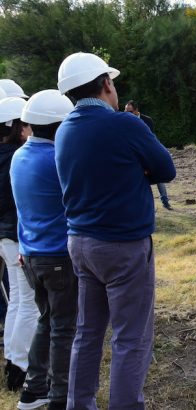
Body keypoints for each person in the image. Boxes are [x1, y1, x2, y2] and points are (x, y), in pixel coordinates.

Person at [54, 52, 176, 409]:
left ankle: (79, 404)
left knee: (87, 333)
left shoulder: (64, 130)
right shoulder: (124, 124)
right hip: (122, 245)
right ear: (106, 83)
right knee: (130, 337)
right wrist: (137, 172)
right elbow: (166, 169)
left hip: (80, 243)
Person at [12, 90, 75, 410]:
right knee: (63, 328)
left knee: (47, 321)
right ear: (59, 126)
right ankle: (60, 396)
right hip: (58, 256)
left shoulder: (19, 156)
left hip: (31, 255)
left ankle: (33, 389)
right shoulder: (56, 159)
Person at [0, 96, 37, 393]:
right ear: (18, 127)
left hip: (5, 237)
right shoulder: (18, 156)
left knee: (16, 301)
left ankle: (13, 360)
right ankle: (21, 368)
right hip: (17, 235)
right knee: (28, 303)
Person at [125, 100, 172, 210]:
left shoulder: (147, 120)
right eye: (125, 111)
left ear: (136, 111)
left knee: (159, 177)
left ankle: (165, 201)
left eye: (129, 112)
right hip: (134, 154)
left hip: (147, 153)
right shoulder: (124, 121)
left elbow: (150, 139)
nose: (127, 114)